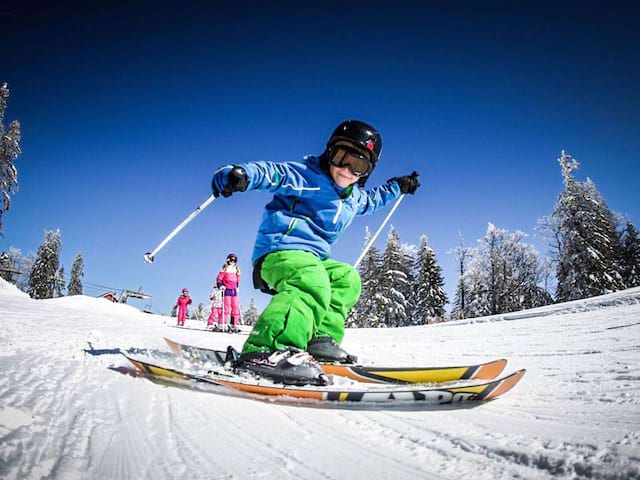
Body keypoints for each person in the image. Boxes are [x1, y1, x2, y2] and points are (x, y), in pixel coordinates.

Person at [211, 120, 420, 385]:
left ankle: (319, 341)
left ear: (366, 172)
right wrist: (238, 175)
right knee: (312, 280)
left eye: (358, 165)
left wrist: (398, 186)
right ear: (328, 152)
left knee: (346, 278)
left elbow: (373, 200)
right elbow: (272, 173)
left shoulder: (353, 197)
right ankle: (267, 349)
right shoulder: (307, 176)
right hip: (281, 252)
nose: (346, 169)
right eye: (341, 157)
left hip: (313, 260)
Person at [216, 253, 242, 333]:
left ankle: (234, 324)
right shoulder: (224, 268)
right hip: (226, 290)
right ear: (228, 260)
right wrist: (220, 285)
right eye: (231, 260)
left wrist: (237, 286)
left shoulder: (237, 269)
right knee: (226, 308)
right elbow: (219, 278)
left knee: (235, 308)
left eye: (234, 260)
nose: (232, 262)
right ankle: (222, 324)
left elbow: (237, 279)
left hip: (234, 291)